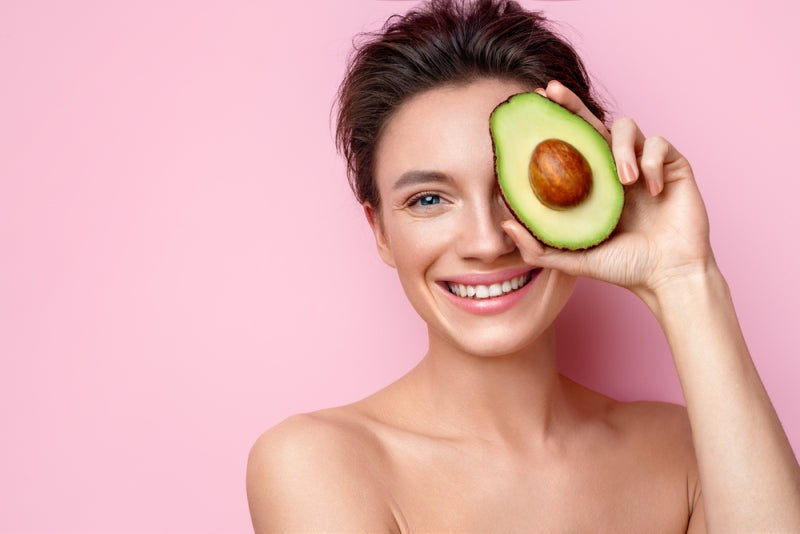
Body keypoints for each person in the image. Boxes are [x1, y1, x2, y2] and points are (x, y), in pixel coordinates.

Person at [246, 1, 800, 531]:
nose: (487, 242)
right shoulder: (320, 463)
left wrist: (685, 276)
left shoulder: (688, 452)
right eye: (429, 200)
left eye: (515, 187)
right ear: (380, 232)